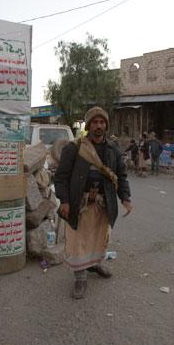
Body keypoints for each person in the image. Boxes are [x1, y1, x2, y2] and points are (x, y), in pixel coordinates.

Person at [54, 106, 132, 299]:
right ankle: (80, 278)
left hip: (103, 203)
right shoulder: (74, 148)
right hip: (78, 204)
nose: (98, 126)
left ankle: (94, 264)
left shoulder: (113, 149)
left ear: (106, 125)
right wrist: (64, 201)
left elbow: (121, 175)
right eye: (95, 122)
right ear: (88, 125)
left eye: (102, 122)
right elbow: (61, 177)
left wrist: (126, 198)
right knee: (78, 240)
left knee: (98, 237)